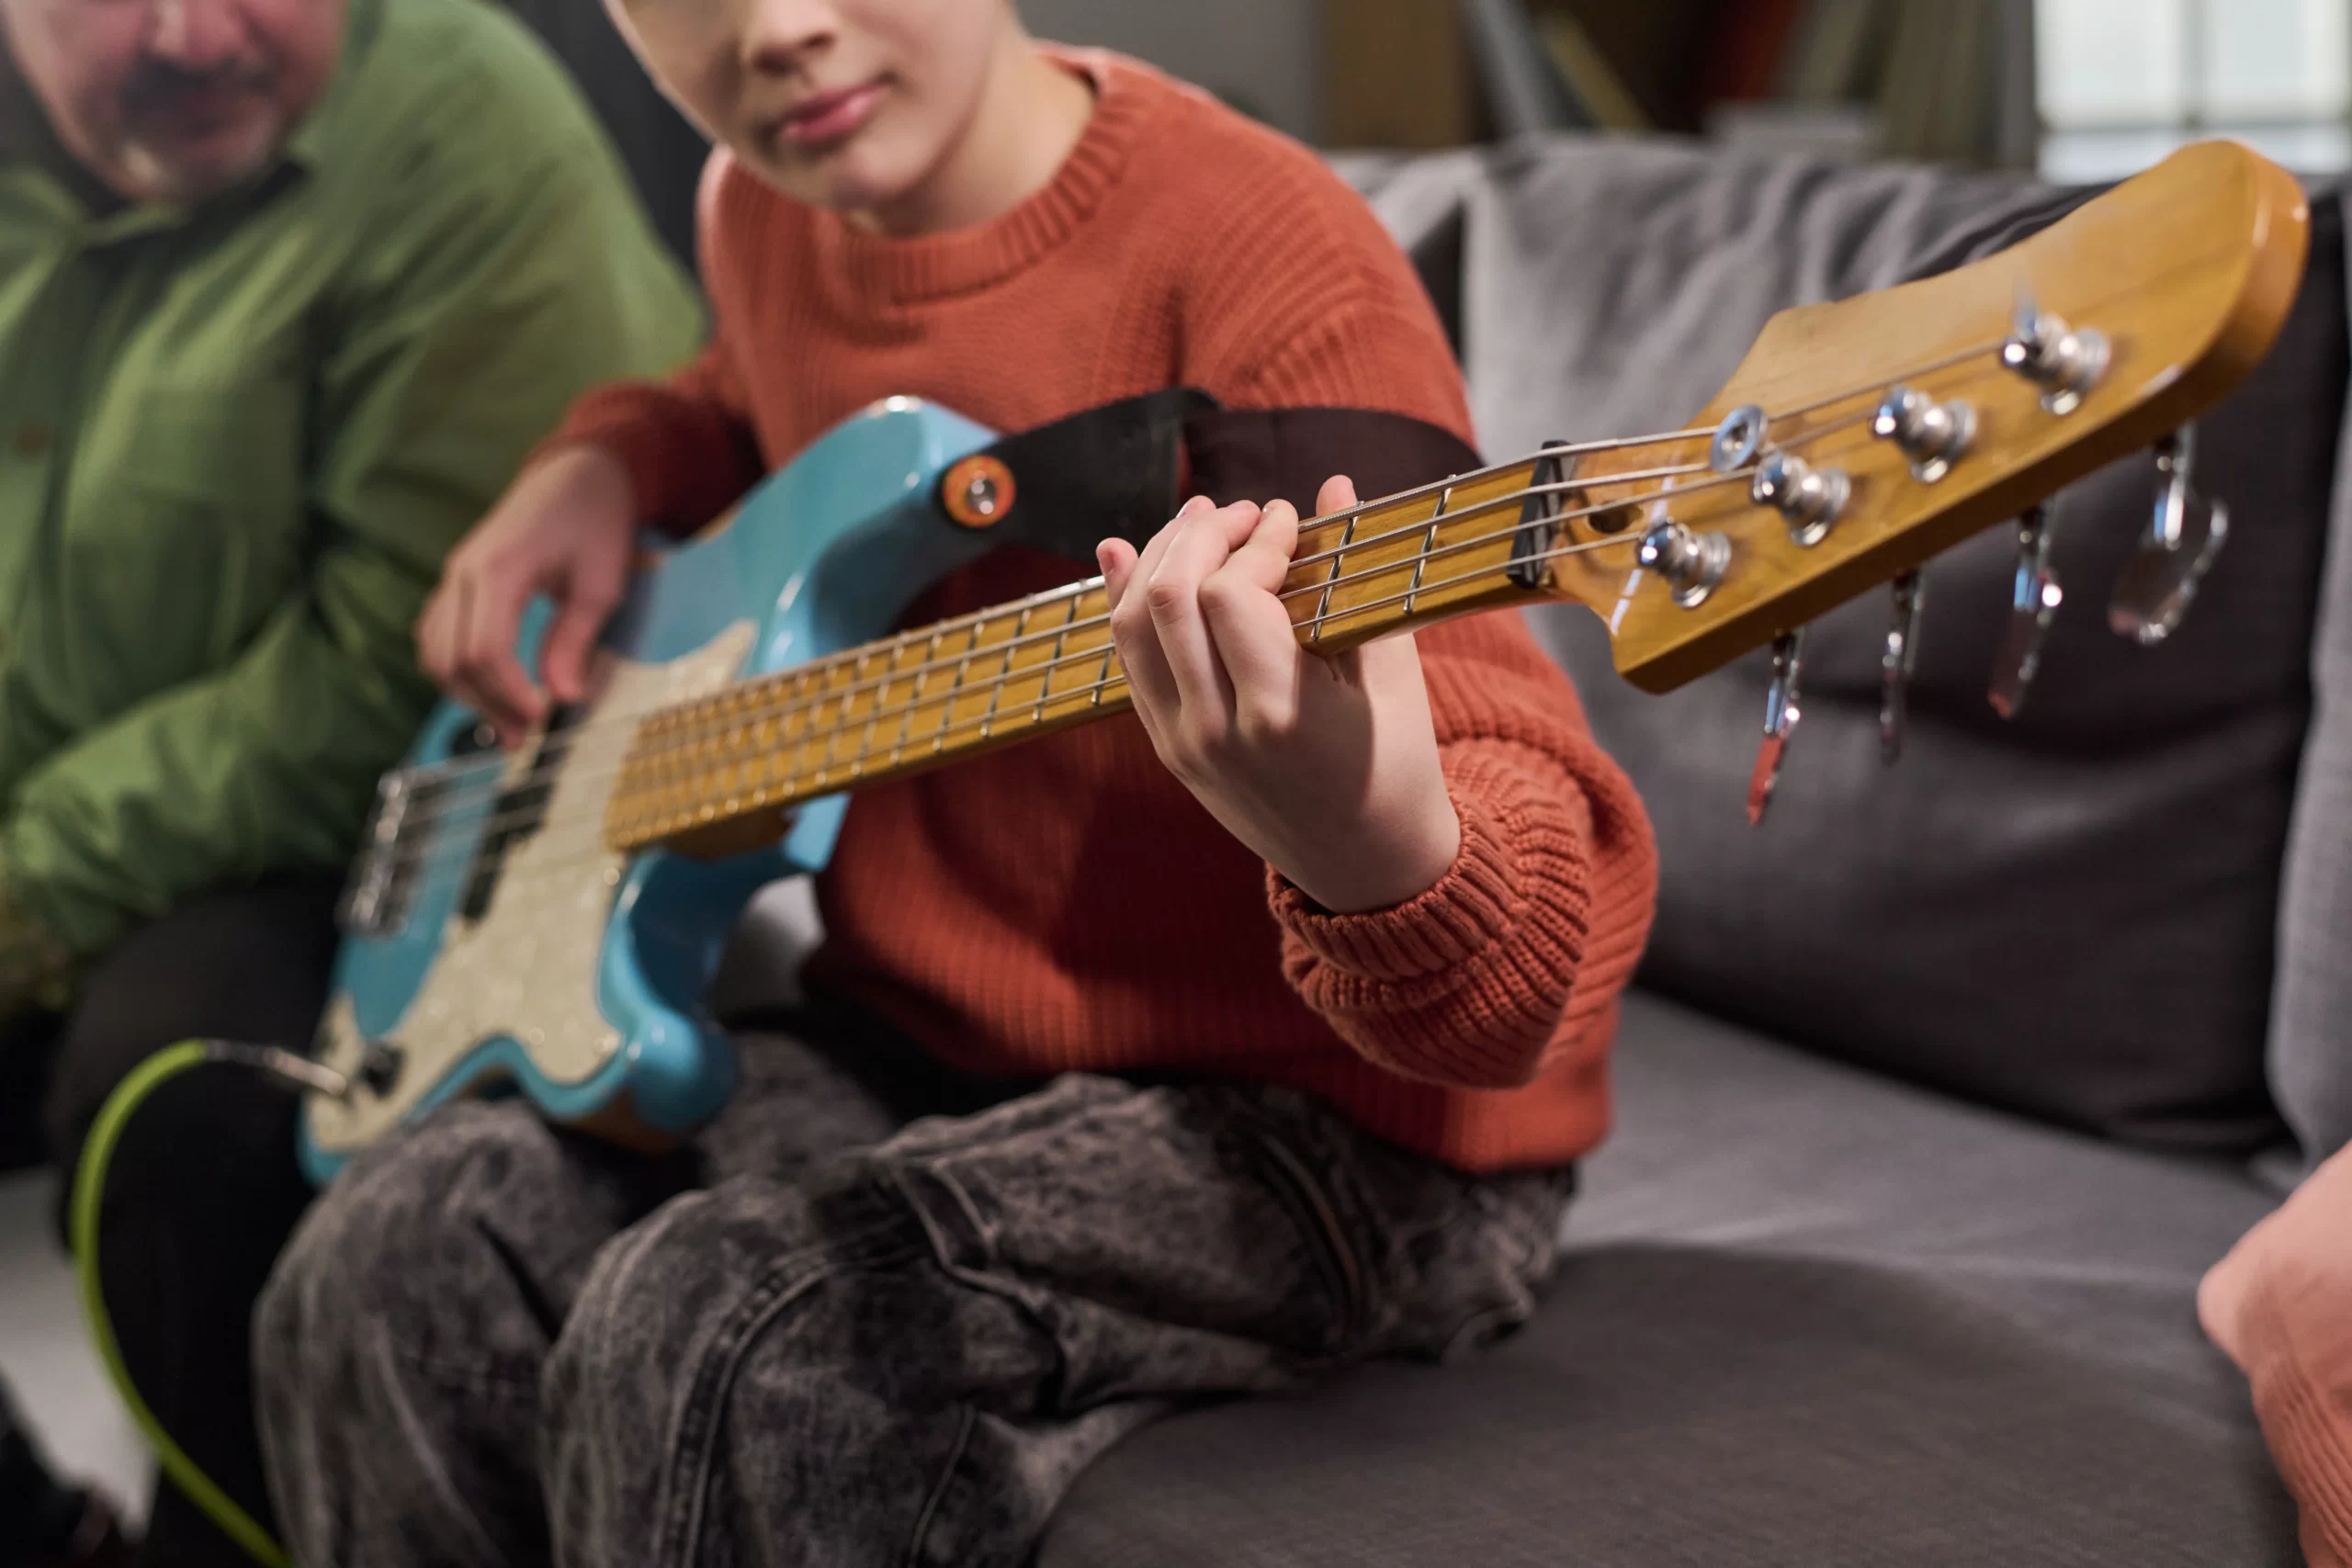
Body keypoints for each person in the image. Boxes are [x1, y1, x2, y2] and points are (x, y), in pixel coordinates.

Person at [254, 0, 1660, 1563]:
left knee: (731, 1322)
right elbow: (741, 398)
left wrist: (1374, 846)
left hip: (1343, 1125)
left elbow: (1535, 942)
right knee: (391, 1253)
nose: (777, 29)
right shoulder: (763, 207)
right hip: (937, 1044)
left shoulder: (1266, 252)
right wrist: (607, 458)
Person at [0, 0, 704, 1559]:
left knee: (181, 1098)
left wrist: (27, 889)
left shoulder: (459, 126)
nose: (193, 35)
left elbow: (391, 668)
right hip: (66, 813)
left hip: (405, 829)